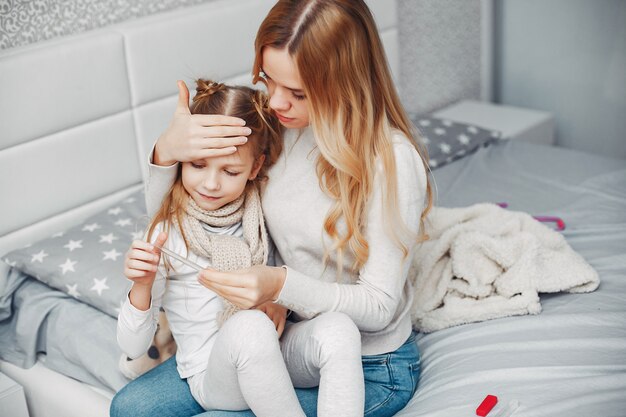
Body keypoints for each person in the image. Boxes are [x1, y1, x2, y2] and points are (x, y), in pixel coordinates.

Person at [110, 0, 433, 416]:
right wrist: (167, 150)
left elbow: (378, 307)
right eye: (268, 80)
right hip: (281, 336)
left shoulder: (392, 160)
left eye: (297, 92)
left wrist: (281, 286)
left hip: (370, 362)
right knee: (132, 408)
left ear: (344, 83)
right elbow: (179, 217)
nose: (276, 104)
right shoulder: (278, 128)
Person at [115, 79, 364, 417]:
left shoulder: (261, 211)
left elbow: (283, 278)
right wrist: (141, 286)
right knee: (250, 326)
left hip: (276, 353)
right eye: (198, 165)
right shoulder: (167, 231)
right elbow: (132, 346)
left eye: (230, 171)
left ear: (255, 168)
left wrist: (281, 303)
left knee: (339, 328)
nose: (211, 183)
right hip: (213, 375)